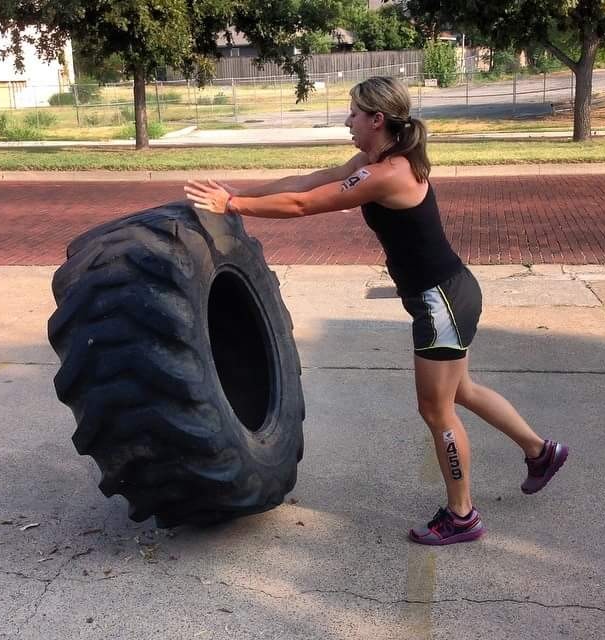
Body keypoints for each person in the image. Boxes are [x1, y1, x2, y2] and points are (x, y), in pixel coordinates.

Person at [183, 76, 569, 545]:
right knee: (461, 389)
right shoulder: (374, 161)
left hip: (441, 300)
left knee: (436, 408)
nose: (347, 121)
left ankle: (462, 515)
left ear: (377, 119)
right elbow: (306, 181)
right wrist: (238, 197)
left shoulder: (388, 174)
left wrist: (235, 204)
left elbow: (306, 204)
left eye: (353, 114)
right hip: (448, 293)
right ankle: (540, 451)